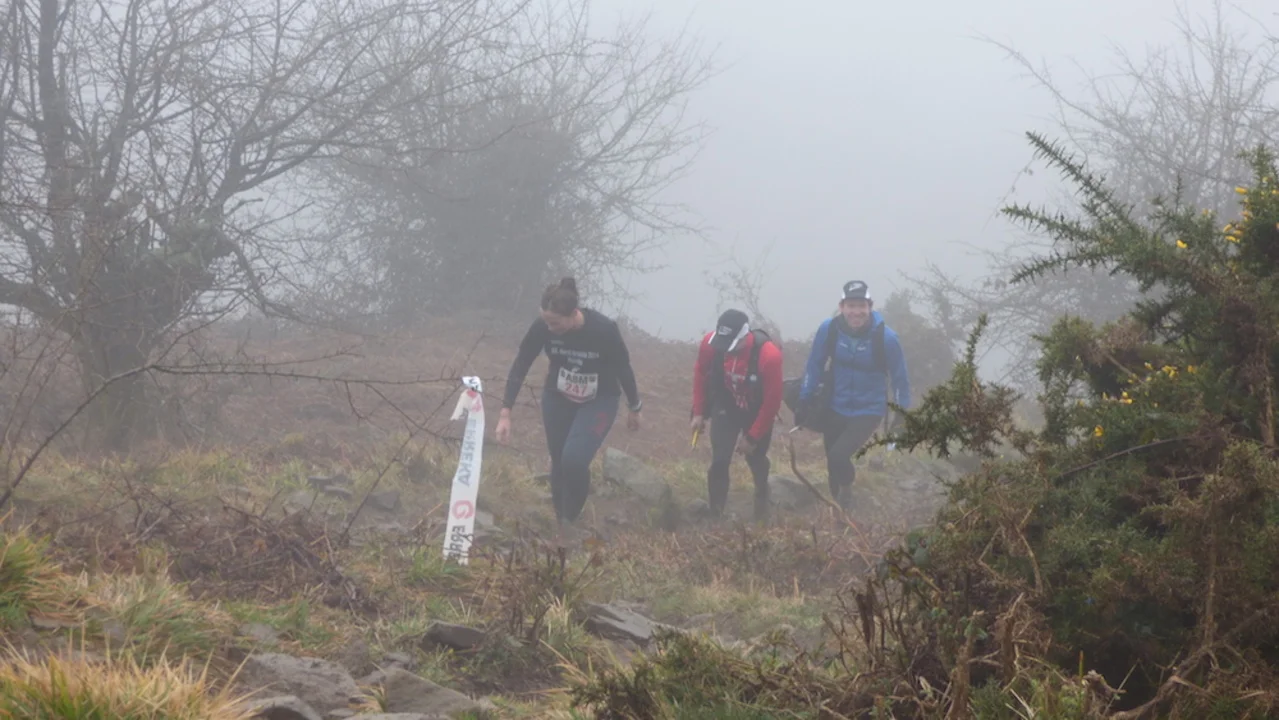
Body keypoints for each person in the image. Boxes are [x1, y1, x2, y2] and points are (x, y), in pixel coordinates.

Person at [496, 277, 642, 537]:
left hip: (600, 400)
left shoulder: (603, 329)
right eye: (546, 321)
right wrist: (506, 411)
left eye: (555, 323)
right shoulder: (542, 327)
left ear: (574, 313)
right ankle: (562, 524)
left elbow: (623, 368)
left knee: (574, 460)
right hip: (558, 397)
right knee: (559, 461)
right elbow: (521, 363)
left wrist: (635, 406)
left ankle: (571, 517)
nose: (550, 328)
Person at [795, 280, 911, 511]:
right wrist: (804, 399)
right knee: (832, 462)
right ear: (841, 307)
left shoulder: (886, 338)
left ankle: (847, 494)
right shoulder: (829, 330)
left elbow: (900, 380)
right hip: (835, 405)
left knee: (838, 456)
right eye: (851, 306)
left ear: (870, 307)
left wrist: (901, 415)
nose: (856, 312)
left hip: (868, 410)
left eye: (861, 306)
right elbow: (814, 365)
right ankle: (838, 510)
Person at [690, 309, 784, 523]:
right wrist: (699, 411)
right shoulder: (709, 344)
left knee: (755, 457)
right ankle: (716, 514)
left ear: (743, 337)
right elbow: (701, 373)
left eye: (730, 345)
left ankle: (762, 498)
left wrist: (752, 436)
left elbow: (772, 402)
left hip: (756, 408)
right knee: (720, 459)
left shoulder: (769, 356)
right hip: (727, 403)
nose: (726, 350)